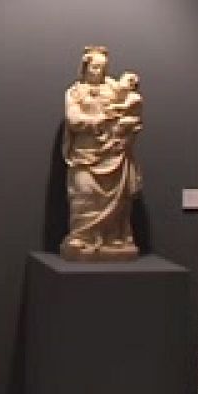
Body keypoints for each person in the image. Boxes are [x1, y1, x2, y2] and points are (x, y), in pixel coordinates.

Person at [61, 47, 144, 260]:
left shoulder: (114, 88)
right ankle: (82, 237)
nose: (98, 71)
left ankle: (113, 238)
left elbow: (132, 107)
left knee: (117, 200)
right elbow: (73, 119)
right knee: (84, 196)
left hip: (113, 153)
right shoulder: (75, 91)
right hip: (85, 154)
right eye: (94, 67)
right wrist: (98, 121)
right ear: (85, 67)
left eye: (102, 67)